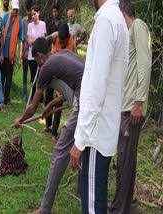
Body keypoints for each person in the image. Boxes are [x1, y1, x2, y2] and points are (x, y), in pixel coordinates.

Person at [70, 0, 129, 213]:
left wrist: (81, 138)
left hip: (95, 133)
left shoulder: (106, 21)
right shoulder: (118, 20)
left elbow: (97, 86)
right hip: (104, 127)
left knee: (93, 206)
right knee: (98, 200)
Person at [13, 37, 84, 214]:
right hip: (93, 96)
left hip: (86, 103)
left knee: (60, 153)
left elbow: (33, 106)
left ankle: (44, 210)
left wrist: (20, 120)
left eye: (35, 60)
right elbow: (73, 85)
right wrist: (51, 104)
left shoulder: (46, 67)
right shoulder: (63, 54)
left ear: (39, 56)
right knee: (86, 144)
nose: (37, 64)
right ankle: (83, 187)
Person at [109, 1, 152, 213]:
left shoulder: (138, 26)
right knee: (124, 161)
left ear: (122, 12)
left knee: (125, 162)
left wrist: (139, 101)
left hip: (132, 108)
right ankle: (121, 205)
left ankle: (119, 209)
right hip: (124, 107)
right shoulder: (127, 36)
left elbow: (145, 63)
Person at [44, 24, 75, 143]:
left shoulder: (72, 43)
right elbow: (45, 41)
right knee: (48, 99)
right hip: (52, 71)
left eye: (64, 42)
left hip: (63, 76)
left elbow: (74, 62)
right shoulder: (56, 35)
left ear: (68, 37)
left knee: (58, 105)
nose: (61, 44)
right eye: (60, 41)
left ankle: (54, 132)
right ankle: (47, 125)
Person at [1, 0, 24, 106]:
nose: (14, 11)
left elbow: (21, 40)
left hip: (11, 55)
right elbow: (1, 35)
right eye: (13, 9)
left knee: (9, 77)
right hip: (3, 53)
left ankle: (7, 98)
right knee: (2, 76)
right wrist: (0, 52)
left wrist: (19, 57)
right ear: (11, 7)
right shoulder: (5, 17)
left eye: (16, 9)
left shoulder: (20, 22)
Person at [21, 4, 32, 102]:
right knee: (25, 74)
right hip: (25, 52)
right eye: (28, 11)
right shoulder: (23, 21)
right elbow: (21, 37)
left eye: (30, 11)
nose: (29, 13)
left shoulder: (35, 21)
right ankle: (24, 94)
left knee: (33, 75)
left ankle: (33, 95)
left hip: (33, 53)